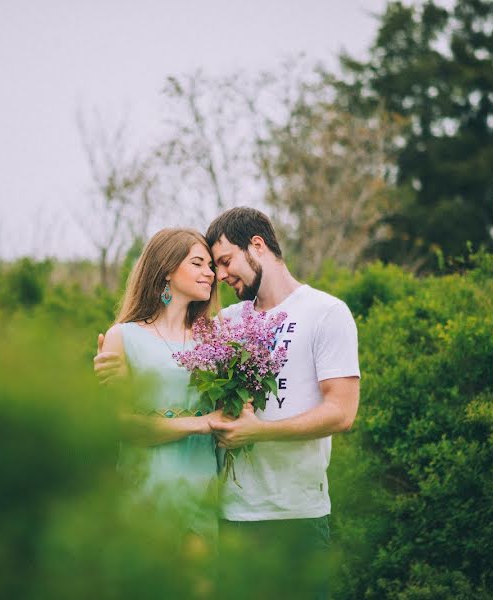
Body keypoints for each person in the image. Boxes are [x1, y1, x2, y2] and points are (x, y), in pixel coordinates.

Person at [95, 208, 360, 599]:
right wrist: (108, 365)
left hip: (296, 511)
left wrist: (260, 431)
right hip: (228, 511)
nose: (219, 275)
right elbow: (165, 360)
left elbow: (342, 412)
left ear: (257, 245)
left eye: (223, 261)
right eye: (208, 264)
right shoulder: (224, 324)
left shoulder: (326, 312)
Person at [99, 227, 224, 551]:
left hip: (203, 487)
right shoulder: (122, 337)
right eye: (198, 263)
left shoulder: (215, 338)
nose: (209, 273)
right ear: (167, 269)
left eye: (210, 266)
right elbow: (121, 425)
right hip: (145, 488)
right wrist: (202, 422)